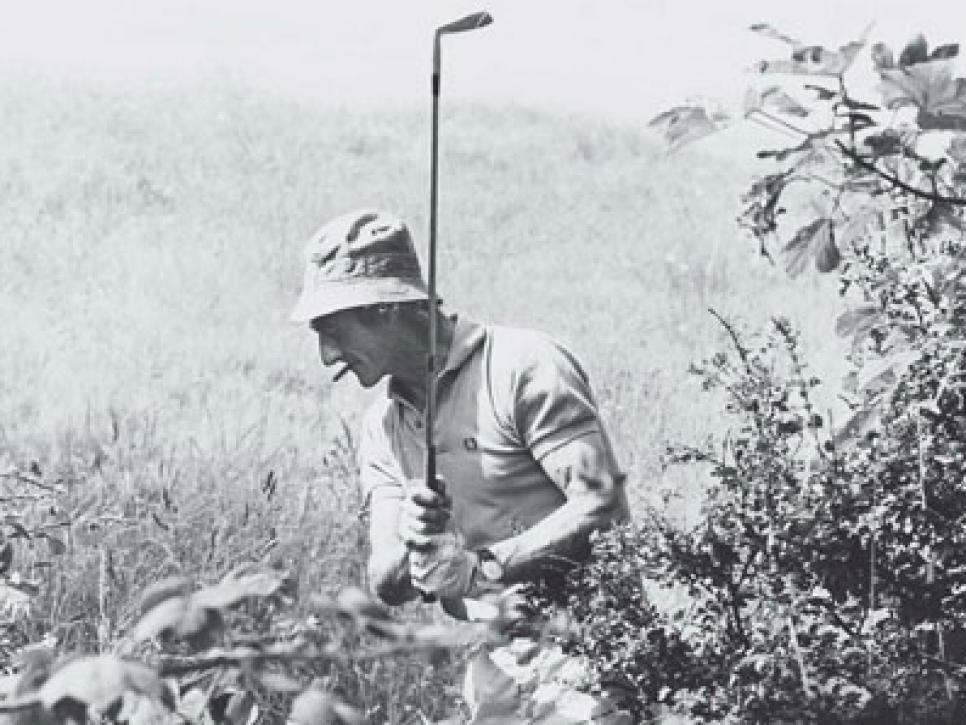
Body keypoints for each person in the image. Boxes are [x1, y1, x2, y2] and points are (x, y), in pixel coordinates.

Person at [291, 209, 632, 724]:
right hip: (493, 666)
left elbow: (603, 506)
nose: (327, 355)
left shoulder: (522, 365)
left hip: (590, 650)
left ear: (385, 308)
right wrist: (415, 540)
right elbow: (387, 582)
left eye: (333, 329)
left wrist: (481, 568)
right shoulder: (382, 426)